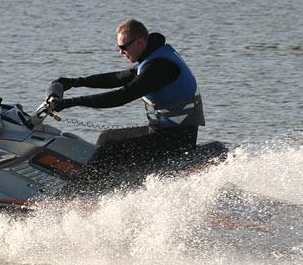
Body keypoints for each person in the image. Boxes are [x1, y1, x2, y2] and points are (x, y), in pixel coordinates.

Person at [48, 19, 205, 168]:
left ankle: (78, 195)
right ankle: (113, 182)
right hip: (162, 132)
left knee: (107, 154)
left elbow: (121, 96)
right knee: (106, 138)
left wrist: (70, 102)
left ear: (139, 42)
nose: (120, 52)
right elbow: (117, 78)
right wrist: (74, 82)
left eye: (123, 47)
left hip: (176, 140)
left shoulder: (159, 68)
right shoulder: (152, 59)